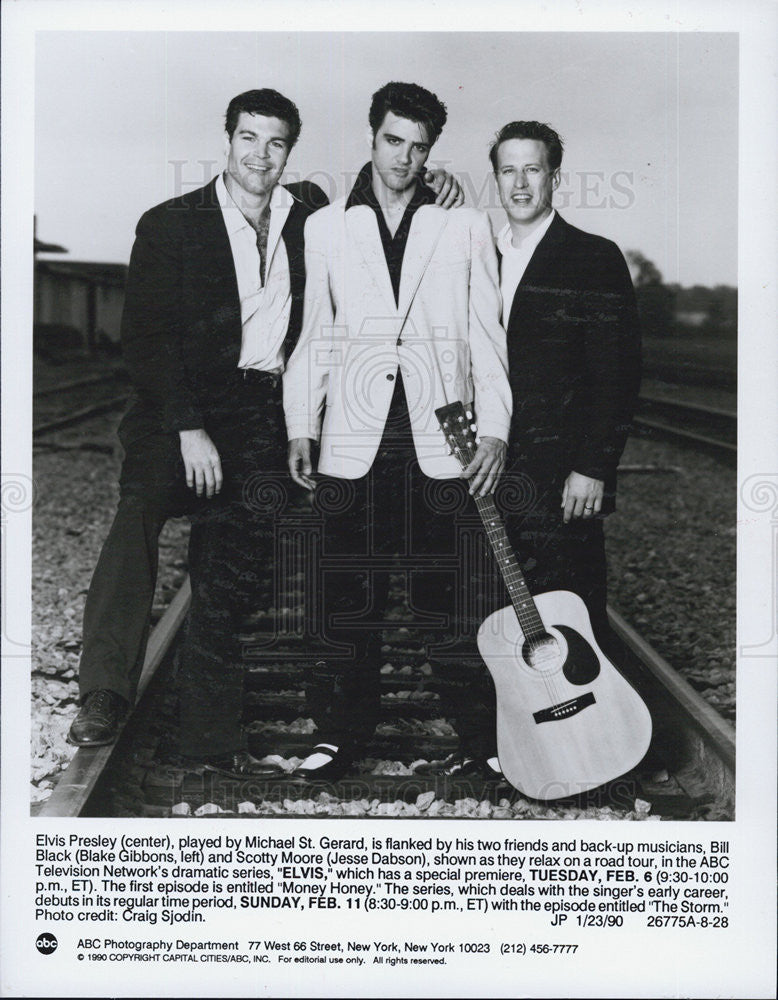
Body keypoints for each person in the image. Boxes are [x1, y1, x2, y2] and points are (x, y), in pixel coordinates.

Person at [66, 87, 463, 778]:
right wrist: (189, 428)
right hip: (178, 409)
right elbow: (146, 341)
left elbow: (382, 185)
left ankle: (207, 738)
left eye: (276, 142)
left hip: (258, 412)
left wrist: (434, 183)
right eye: (249, 138)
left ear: (289, 151)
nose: (261, 154)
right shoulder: (170, 223)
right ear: (228, 140)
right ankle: (103, 690)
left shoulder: (306, 211)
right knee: (137, 518)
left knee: (229, 574)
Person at [284, 81, 512, 781]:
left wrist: (495, 430)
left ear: (431, 151)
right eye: (392, 141)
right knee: (348, 597)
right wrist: (302, 423)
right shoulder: (326, 228)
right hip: (354, 435)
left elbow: (485, 335)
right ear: (371, 134)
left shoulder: (464, 224)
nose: (403, 158)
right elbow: (315, 335)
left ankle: (485, 741)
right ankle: (338, 737)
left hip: (446, 432)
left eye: (418, 147)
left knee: (459, 601)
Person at [419, 120, 642, 780]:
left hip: (557, 474)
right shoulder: (480, 251)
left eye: (533, 170)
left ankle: (593, 744)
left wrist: (594, 466)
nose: (519, 183)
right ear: (497, 178)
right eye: (508, 171)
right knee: (469, 608)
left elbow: (618, 372)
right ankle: (489, 744)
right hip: (480, 468)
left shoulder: (592, 257)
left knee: (569, 613)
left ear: (554, 177)